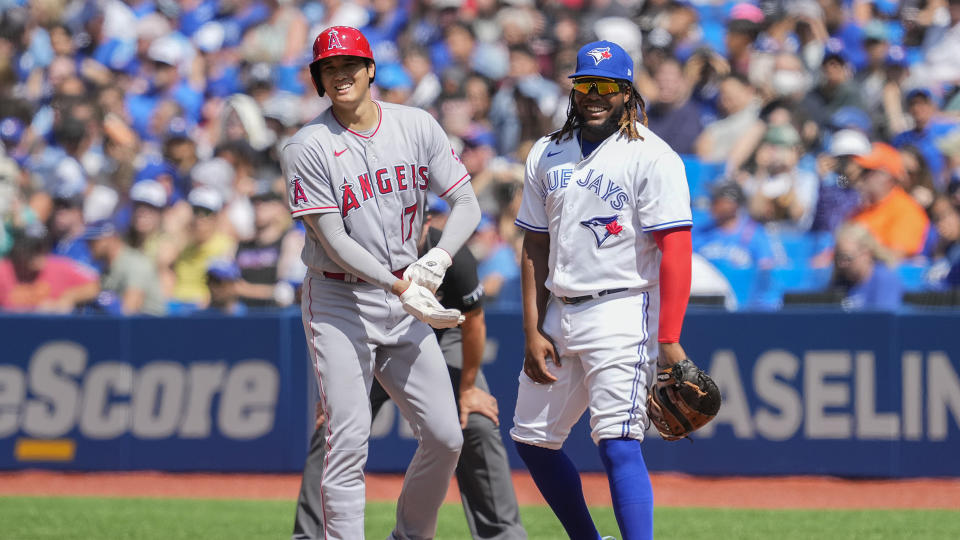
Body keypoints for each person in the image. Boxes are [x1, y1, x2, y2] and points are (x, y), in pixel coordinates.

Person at [281, 26, 481, 540]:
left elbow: (466, 203)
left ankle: (412, 535)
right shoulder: (306, 146)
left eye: (349, 64)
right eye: (329, 67)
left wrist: (436, 260)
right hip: (339, 297)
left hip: (406, 293)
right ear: (318, 80)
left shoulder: (415, 125)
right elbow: (333, 241)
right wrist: (400, 286)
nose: (340, 73)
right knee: (348, 439)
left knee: (445, 436)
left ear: (371, 69)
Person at [510, 40, 693, 540]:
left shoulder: (652, 156)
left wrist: (669, 339)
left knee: (617, 442)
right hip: (558, 314)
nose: (595, 94)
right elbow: (533, 246)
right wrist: (532, 328)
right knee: (531, 440)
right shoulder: (547, 152)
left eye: (607, 86)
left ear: (627, 92)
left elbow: (676, 248)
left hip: (621, 310)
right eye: (586, 84)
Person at [293, 200, 525, 540]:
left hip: (442, 338)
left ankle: (503, 535)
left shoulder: (450, 254)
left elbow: (474, 323)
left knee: (475, 420)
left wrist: (469, 388)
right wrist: (334, 392)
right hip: (371, 336)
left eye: (411, 215)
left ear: (426, 222)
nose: (400, 220)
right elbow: (334, 316)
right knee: (332, 427)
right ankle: (309, 537)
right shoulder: (365, 248)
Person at [848, 142, 930, 258]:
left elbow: (895, 262)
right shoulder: (860, 206)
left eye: (867, 171)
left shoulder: (908, 212)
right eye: (861, 169)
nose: (859, 175)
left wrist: (867, 241)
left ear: (888, 177)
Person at [83, 219, 167, 316]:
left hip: (149, 324)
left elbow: (129, 311)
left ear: (109, 239)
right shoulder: (106, 265)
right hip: (123, 323)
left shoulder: (135, 263)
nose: (88, 245)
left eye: (93, 241)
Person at [830, 223, 903, 311]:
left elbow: (884, 320)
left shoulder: (885, 279)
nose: (841, 264)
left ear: (866, 254)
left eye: (847, 257)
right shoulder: (839, 282)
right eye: (837, 257)